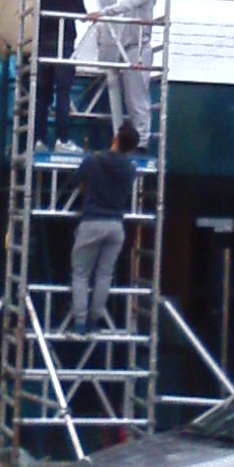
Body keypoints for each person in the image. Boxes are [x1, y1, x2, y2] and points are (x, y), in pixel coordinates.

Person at [70, 122, 139, 333]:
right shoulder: (130, 170)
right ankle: (94, 320)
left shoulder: (94, 160)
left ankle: (80, 322)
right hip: (116, 226)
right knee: (104, 275)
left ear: (115, 139)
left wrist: (85, 185)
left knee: (81, 273)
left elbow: (74, 179)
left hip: (92, 222)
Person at [87, 0, 154, 147]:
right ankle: (138, 140)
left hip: (138, 50)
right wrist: (119, 59)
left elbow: (128, 4)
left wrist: (103, 12)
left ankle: (142, 142)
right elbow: (125, 33)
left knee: (137, 99)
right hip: (131, 50)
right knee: (132, 100)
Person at [35, 0, 85, 155]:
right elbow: (81, 15)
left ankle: (38, 140)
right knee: (63, 93)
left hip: (43, 46)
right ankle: (62, 140)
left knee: (42, 96)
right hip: (64, 45)